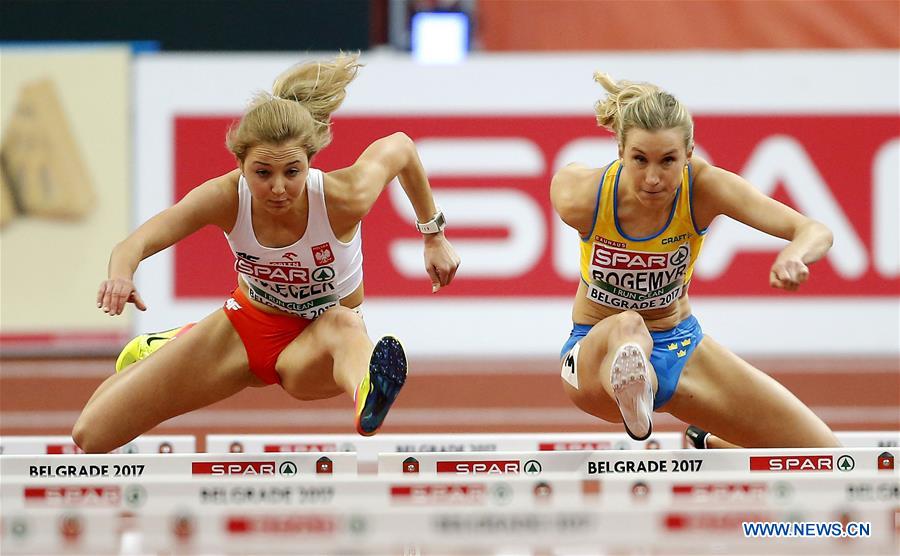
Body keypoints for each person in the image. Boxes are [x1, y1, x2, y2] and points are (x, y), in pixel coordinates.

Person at [72, 54, 460, 454]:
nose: (278, 188)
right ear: (240, 165)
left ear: (309, 162)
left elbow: (401, 147)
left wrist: (433, 234)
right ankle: (176, 343)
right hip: (245, 328)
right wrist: (121, 275)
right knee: (91, 434)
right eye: (262, 173)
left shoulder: (344, 196)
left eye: (292, 172)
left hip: (315, 348)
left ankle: (369, 393)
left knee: (345, 325)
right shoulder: (225, 197)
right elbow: (134, 244)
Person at [551, 71, 839, 448]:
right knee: (629, 326)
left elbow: (815, 229)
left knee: (824, 454)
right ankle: (632, 378)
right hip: (594, 355)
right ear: (620, 152)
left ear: (689, 154)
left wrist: (794, 254)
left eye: (668, 161)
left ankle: (706, 442)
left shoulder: (704, 187)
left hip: (680, 347)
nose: (653, 178)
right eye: (639, 160)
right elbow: (564, 180)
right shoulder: (582, 196)